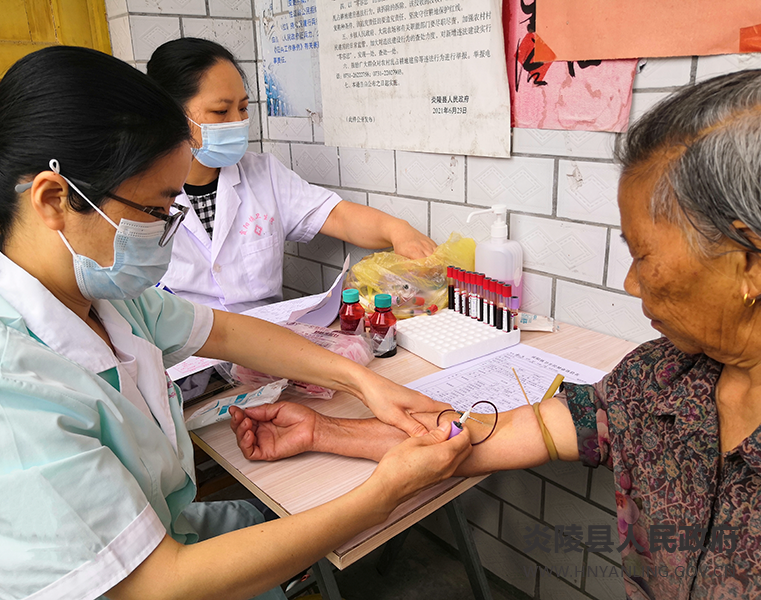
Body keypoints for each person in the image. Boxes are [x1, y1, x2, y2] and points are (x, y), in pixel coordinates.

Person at [229, 69, 761, 600]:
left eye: (644, 255)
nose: (630, 282)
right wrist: (323, 431)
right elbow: (490, 434)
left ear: (749, 264)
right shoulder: (661, 378)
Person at [0, 46, 470, 600]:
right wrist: (383, 493)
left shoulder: (106, 298)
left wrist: (364, 382)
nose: (165, 230)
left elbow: (227, 331)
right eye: (156, 210)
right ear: (55, 199)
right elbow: (154, 585)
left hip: (164, 530)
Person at [146, 37, 438, 313]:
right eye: (221, 112)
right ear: (170, 113)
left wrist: (398, 230)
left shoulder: (263, 174)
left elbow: (338, 216)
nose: (238, 122)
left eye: (243, 108)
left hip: (263, 336)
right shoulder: (136, 192)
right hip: (181, 344)